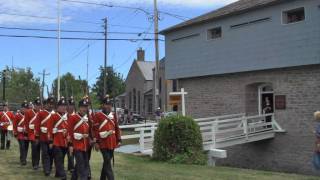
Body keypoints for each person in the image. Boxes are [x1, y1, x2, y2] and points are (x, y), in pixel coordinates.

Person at [93, 95, 121, 180]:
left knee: (106, 162)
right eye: (106, 104)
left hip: (112, 142)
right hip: (103, 143)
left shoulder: (114, 115)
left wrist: (119, 139)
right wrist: (96, 142)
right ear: (102, 105)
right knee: (108, 163)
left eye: (109, 104)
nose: (108, 106)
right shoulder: (98, 115)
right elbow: (95, 130)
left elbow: (117, 128)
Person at [68, 97, 91, 180]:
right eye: (82, 107)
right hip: (77, 145)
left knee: (80, 164)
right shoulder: (73, 117)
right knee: (82, 166)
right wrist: (70, 145)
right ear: (79, 108)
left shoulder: (88, 118)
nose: (84, 109)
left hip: (86, 145)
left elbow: (90, 131)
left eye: (86, 107)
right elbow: (70, 132)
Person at [48, 97, 69, 180]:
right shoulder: (54, 116)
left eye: (64, 106)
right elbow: (49, 129)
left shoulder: (68, 116)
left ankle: (57, 173)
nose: (63, 107)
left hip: (65, 141)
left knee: (62, 158)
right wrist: (50, 141)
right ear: (58, 107)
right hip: (56, 140)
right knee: (58, 158)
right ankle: (63, 175)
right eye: (61, 106)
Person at [36, 96, 55, 176]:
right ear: (46, 104)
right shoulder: (41, 113)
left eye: (51, 104)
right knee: (45, 153)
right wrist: (37, 136)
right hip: (43, 137)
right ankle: (46, 169)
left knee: (51, 154)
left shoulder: (55, 114)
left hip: (52, 137)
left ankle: (49, 167)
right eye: (49, 104)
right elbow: (37, 125)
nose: (50, 105)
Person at [25, 97, 41, 170]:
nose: (38, 106)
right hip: (31, 133)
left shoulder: (41, 112)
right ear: (34, 105)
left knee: (38, 149)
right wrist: (27, 133)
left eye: (39, 105)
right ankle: (35, 163)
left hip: (40, 133)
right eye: (36, 105)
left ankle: (37, 162)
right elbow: (26, 123)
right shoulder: (28, 112)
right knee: (34, 148)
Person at [13, 101, 30, 166]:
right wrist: (15, 132)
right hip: (20, 134)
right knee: (22, 147)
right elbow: (14, 125)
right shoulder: (18, 115)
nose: (25, 110)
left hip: (27, 134)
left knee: (26, 147)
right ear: (21, 108)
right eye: (23, 108)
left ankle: (23, 158)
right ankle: (23, 160)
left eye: (26, 108)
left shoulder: (29, 116)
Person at [67, 96, 76, 173]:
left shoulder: (76, 115)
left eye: (72, 105)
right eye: (70, 105)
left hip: (72, 136)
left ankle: (71, 167)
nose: (71, 106)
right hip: (63, 136)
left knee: (71, 152)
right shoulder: (64, 115)